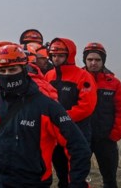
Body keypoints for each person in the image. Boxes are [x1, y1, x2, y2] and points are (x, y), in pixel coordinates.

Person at [0, 43, 91, 188]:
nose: (7, 74)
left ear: (24, 69)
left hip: (31, 181)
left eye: (12, 69)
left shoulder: (47, 106)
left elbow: (78, 146)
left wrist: (77, 183)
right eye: (2, 70)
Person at [46, 37, 97, 188]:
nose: (56, 59)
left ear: (69, 55)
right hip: (55, 134)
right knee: (61, 174)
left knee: (76, 175)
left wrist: (62, 118)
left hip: (78, 131)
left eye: (60, 55)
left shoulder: (83, 76)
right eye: (54, 55)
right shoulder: (49, 76)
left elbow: (87, 106)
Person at [83, 42, 121, 188]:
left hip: (106, 139)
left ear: (103, 61)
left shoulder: (113, 83)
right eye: (90, 59)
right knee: (77, 177)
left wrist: (115, 134)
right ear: (85, 60)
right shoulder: (78, 80)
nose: (93, 63)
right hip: (82, 138)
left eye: (97, 60)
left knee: (109, 179)